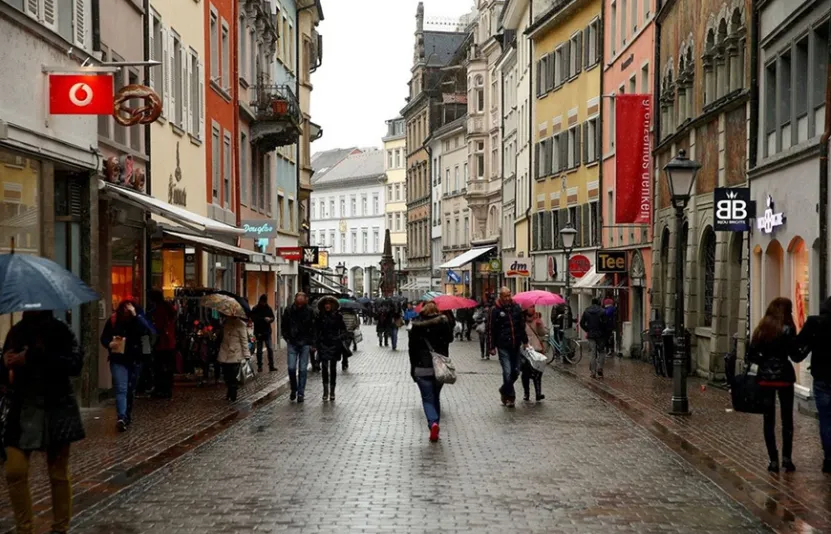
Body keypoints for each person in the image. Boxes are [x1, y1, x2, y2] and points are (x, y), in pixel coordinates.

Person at [2, 311, 84, 534]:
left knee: (57, 473)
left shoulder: (61, 331)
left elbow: (75, 364)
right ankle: (24, 528)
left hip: (56, 409)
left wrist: (32, 358)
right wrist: (6, 362)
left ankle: (60, 528)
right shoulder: (17, 332)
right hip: (23, 411)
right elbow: (5, 371)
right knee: (14, 470)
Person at [748, 298, 806, 473]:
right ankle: (787, 459)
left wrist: (765, 363)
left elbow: (751, 354)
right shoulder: (788, 329)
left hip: (766, 378)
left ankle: (773, 460)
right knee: (786, 419)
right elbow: (795, 355)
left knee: (769, 419)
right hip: (784, 377)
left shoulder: (762, 329)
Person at [101, 299, 155, 431]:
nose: (126, 311)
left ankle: (127, 414)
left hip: (135, 359)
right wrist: (109, 344)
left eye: (129, 308)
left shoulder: (138, 319)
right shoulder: (114, 320)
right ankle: (121, 417)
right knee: (121, 388)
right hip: (118, 359)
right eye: (125, 308)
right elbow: (104, 337)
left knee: (130, 390)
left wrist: (135, 315)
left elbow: (146, 331)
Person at [409, 302, 454, 442]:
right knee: (436, 397)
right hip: (439, 366)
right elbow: (449, 339)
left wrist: (413, 369)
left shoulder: (415, 325)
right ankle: (436, 424)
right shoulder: (443, 323)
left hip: (421, 366)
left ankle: (432, 422)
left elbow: (412, 349)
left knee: (427, 398)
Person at [797, 296, 831, 473]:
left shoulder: (815, 323)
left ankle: (829, 458)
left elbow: (798, 349)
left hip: (822, 377)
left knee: (825, 418)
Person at [488, 287, 529, 407]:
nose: (507, 298)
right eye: (505, 296)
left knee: (516, 371)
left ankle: (503, 389)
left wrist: (525, 341)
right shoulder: (495, 310)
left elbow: (521, 326)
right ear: (500, 296)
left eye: (509, 295)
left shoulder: (516, 308)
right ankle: (510, 397)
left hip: (515, 345)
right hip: (503, 345)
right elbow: (490, 329)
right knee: (507, 371)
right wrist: (491, 346)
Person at [281, 292, 315, 403]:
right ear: (295, 300)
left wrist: (312, 342)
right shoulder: (289, 310)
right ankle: (293, 388)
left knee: (302, 369)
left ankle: (301, 393)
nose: (299, 305)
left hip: (305, 343)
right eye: (298, 303)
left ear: (305, 301)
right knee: (291, 368)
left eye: (301, 303)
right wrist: (287, 338)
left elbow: (313, 327)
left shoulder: (310, 311)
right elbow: (284, 325)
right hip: (293, 342)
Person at [315, 296, 347, 401]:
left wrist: (339, 338)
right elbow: (316, 330)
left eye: (329, 304)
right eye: (326, 304)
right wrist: (317, 341)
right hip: (323, 344)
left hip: (334, 344)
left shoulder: (338, 317)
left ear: (332, 305)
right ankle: (325, 391)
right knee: (324, 368)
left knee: (333, 368)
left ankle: (332, 391)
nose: (327, 305)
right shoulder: (320, 316)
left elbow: (343, 330)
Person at [149, 290, 176, 399]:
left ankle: (161, 389)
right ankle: (167, 388)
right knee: (167, 367)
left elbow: (158, 327)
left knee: (159, 367)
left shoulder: (159, 310)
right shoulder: (168, 308)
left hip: (162, 344)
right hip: (169, 343)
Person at [217, 313, 249, 402]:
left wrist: (246, 355)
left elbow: (244, 340)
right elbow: (221, 337)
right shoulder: (225, 322)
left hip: (235, 354)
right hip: (224, 352)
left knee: (233, 375)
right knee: (226, 375)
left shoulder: (241, 325)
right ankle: (230, 389)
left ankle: (233, 392)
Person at [521, 307, 548, 402]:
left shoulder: (537, 320)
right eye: (530, 307)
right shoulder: (521, 321)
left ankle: (538, 394)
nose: (532, 308)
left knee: (538, 373)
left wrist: (540, 326)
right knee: (526, 373)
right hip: (526, 351)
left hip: (537, 350)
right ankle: (526, 393)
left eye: (533, 306)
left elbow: (543, 333)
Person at [580, 298, 609, 379]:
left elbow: (581, 323)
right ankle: (600, 368)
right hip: (601, 335)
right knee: (602, 351)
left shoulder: (586, 311)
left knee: (592, 353)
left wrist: (587, 330)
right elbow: (605, 323)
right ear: (599, 303)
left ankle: (593, 372)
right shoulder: (602, 311)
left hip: (591, 335)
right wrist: (604, 332)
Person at [250, 294, 276, 373]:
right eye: (262, 302)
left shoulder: (268, 308)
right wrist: (263, 319)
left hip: (267, 332)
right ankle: (260, 366)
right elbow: (253, 318)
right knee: (259, 350)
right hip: (258, 332)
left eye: (264, 302)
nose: (263, 304)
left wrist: (270, 319)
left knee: (270, 349)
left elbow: (273, 317)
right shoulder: (255, 308)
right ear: (260, 301)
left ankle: (271, 366)